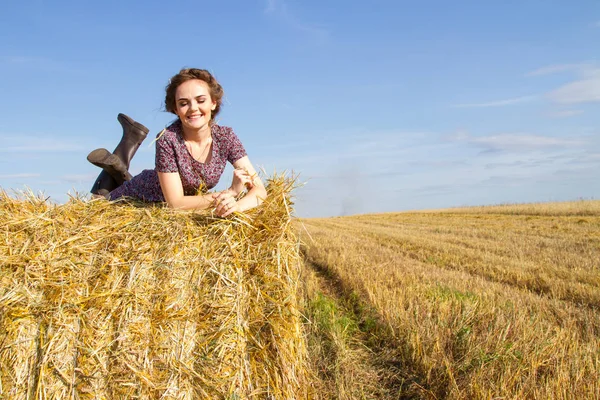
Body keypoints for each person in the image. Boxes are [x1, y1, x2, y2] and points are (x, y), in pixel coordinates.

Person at [88, 68, 267, 217]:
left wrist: (237, 206)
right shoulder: (168, 140)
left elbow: (260, 190)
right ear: (175, 109)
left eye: (201, 100)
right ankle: (126, 147)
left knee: (121, 180)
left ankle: (121, 168)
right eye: (183, 103)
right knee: (95, 206)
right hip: (143, 194)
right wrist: (230, 193)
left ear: (213, 103)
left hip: (170, 190)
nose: (193, 108)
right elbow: (176, 203)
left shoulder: (226, 137)